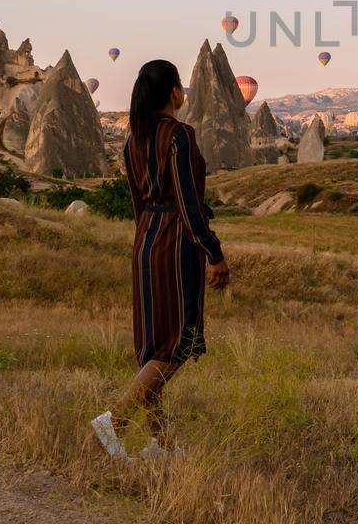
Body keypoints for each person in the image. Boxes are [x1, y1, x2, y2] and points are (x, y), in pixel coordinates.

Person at [91, 59, 230, 460]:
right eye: (181, 86)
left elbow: (138, 202)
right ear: (174, 92)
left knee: (153, 345)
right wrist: (213, 252)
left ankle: (161, 442)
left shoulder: (132, 139)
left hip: (145, 241)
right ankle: (113, 422)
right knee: (175, 345)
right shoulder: (178, 135)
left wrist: (145, 239)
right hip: (175, 243)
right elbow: (189, 202)